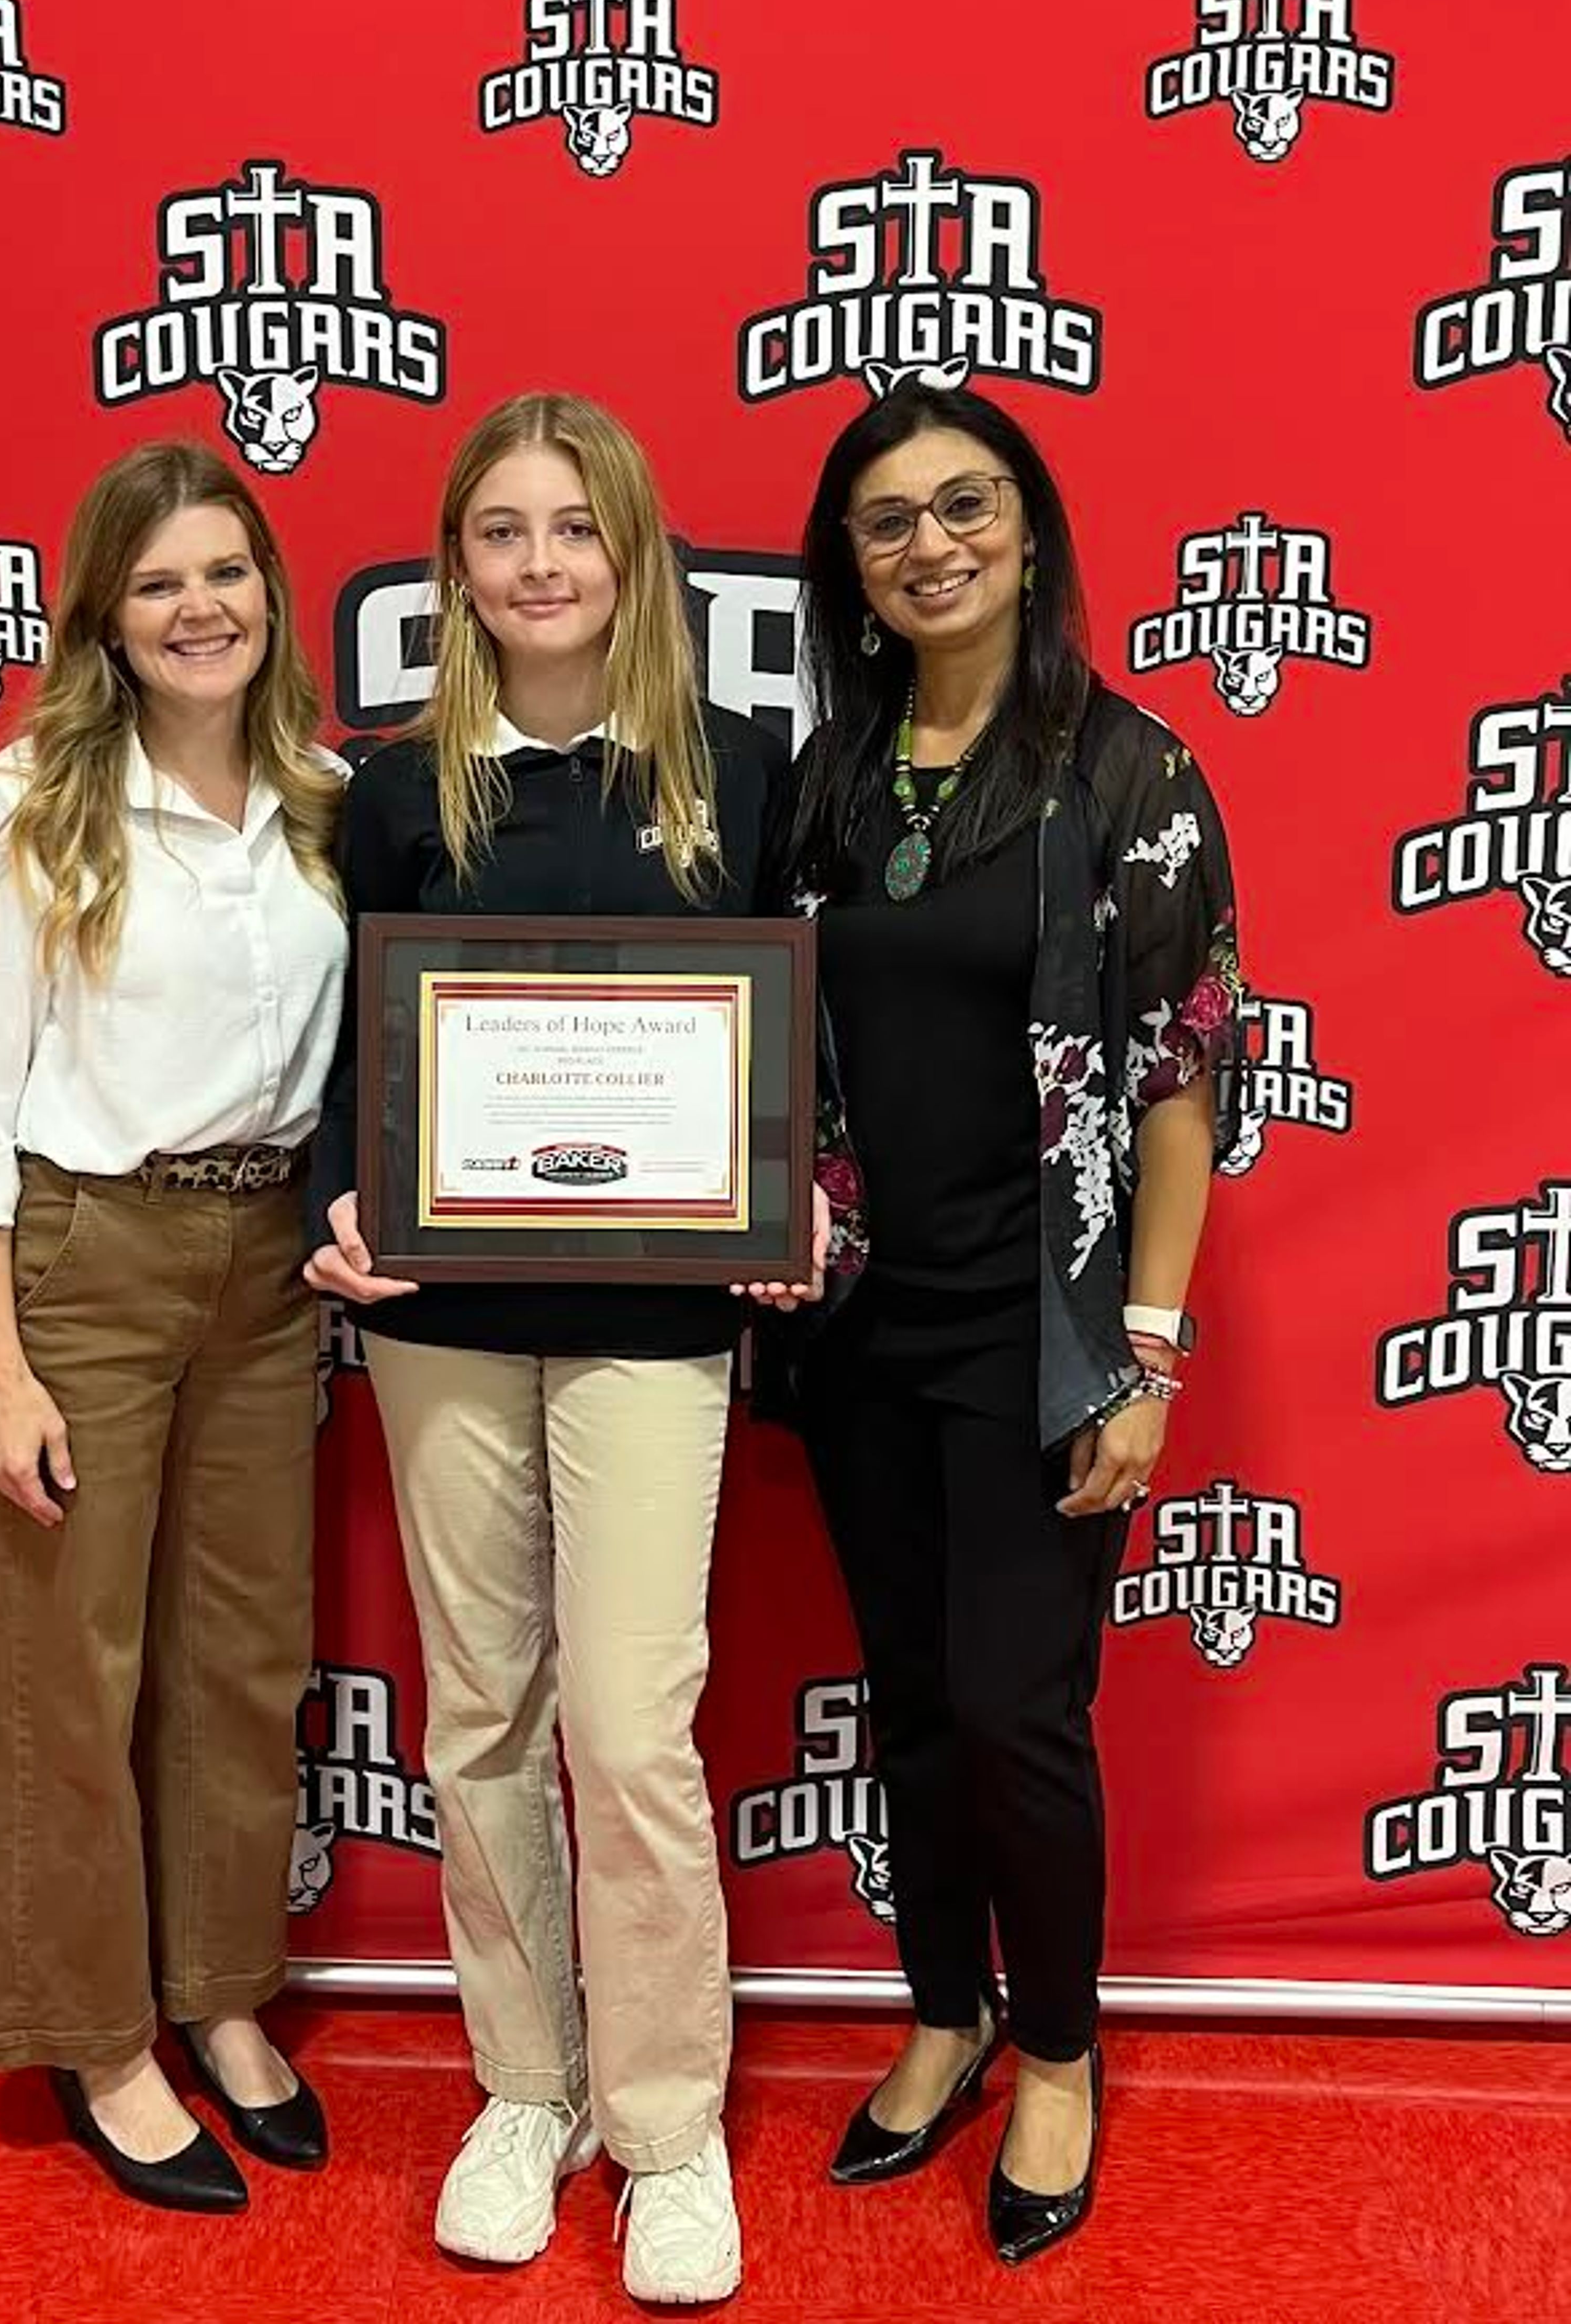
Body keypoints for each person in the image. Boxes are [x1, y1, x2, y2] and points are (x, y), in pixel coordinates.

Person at [305, 392, 803, 2306]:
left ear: (633, 554)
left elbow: (792, 1044)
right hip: (437, 1319)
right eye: (500, 532)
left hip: (657, 1330)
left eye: (572, 529)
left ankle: (669, 2127)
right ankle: (530, 2090)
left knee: (628, 1724)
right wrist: (339, 1211)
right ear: (457, 570)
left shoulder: (738, 773)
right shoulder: (399, 788)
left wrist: (791, 1205)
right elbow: (359, 1045)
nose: (538, 565)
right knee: (483, 1719)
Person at [760, 379, 1245, 2266]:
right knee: (909, 1698)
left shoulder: (1129, 772)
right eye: (888, 522)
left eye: (967, 506)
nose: (931, 543)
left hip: (1046, 1332)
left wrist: (1147, 1349)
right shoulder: (834, 778)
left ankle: (1057, 2049)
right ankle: (944, 2013)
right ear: (854, 573)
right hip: (867, 1326)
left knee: (1021, 1712)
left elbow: (1187, 1076)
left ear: (1028, 533)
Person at [0, 441, 347, 2213]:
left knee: (246, 1656)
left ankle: (225, 1997)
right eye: (160, 582)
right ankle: (99, 2036)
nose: (199, 610)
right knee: (75, 1661)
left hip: (267, 1265)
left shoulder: (326, 796)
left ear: (269, 594)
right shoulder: (21, 803)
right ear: (103, 612)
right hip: (85, 1256)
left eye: (227, 574)